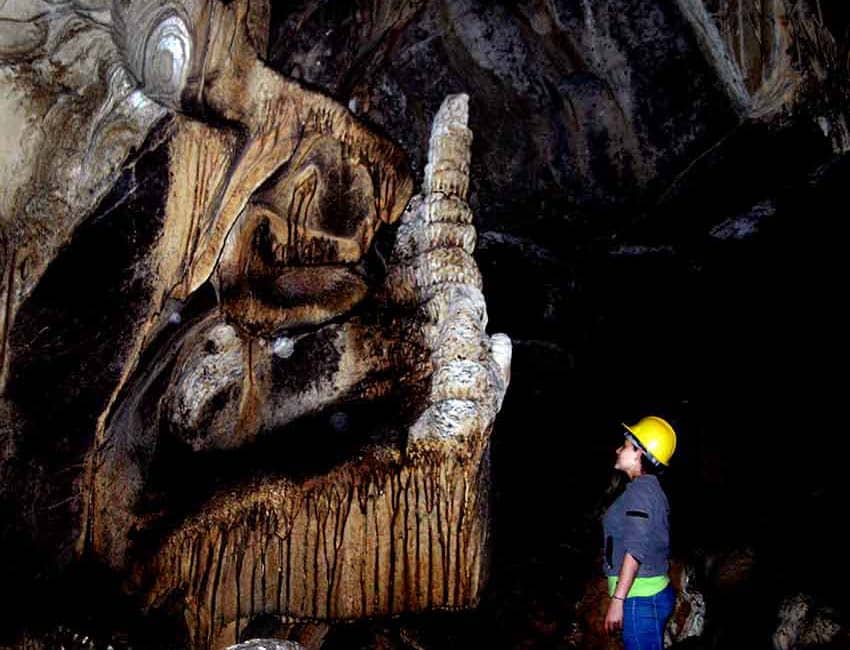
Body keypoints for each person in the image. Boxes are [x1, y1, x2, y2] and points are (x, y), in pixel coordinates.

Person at [602, 415, 677, 650]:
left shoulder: (641, 491)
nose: (617, 449)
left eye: (624, 445)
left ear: (639, 453)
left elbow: (635, 549)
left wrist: (618, 600)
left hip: (640, 597)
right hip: (646, 594)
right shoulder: (647, 489)